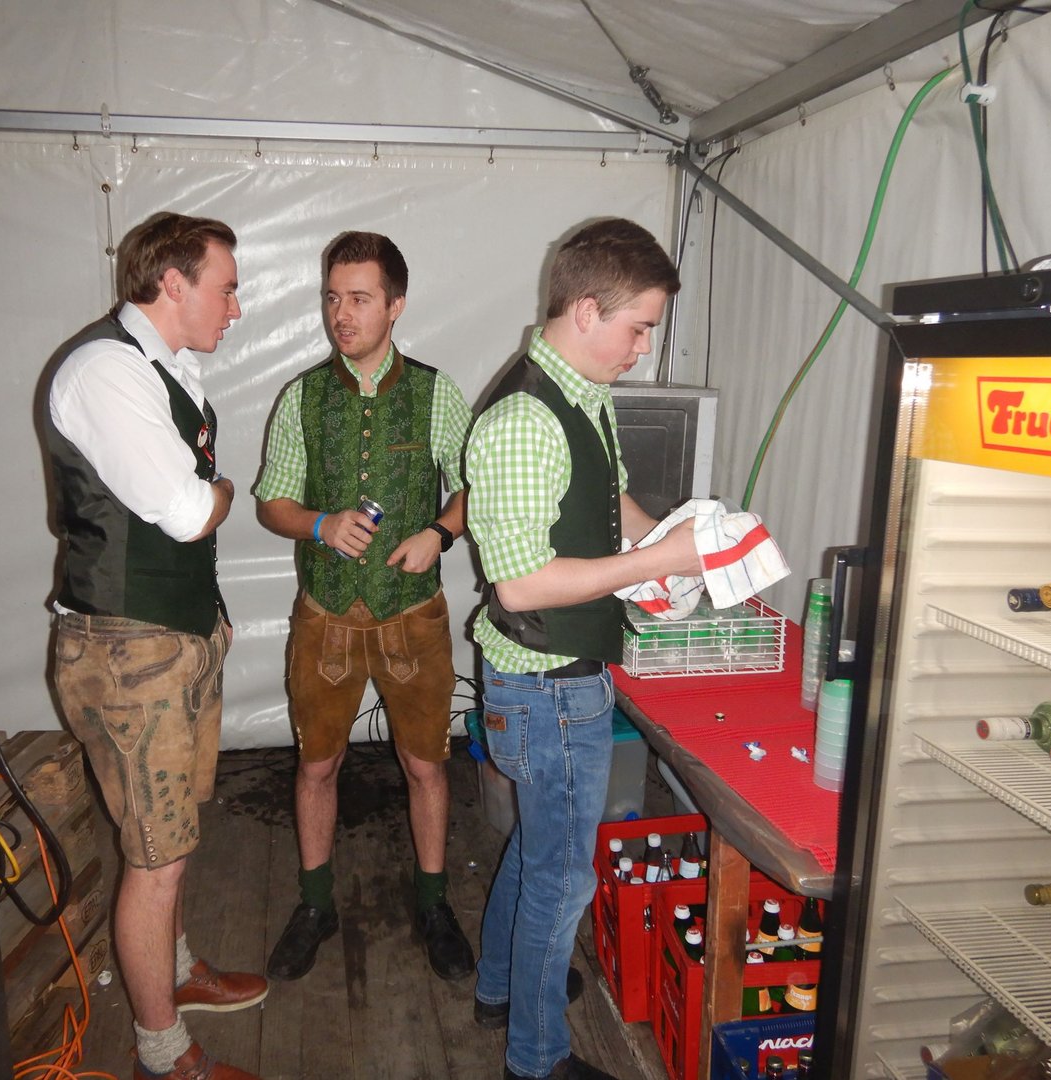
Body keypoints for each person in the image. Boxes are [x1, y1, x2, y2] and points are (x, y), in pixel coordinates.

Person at [464, 218, 703, 1080]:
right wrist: (656, 562)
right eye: (638, 328)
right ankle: (535, 1060)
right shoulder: (525, 419)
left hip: (555, 681)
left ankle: (501, 987)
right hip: (548, 689)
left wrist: (681, 543)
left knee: (541, 852)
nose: (643, 349)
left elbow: (610, 500)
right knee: (563, 881)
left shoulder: (583, 389)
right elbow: (521, 585)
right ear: (588, 309)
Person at [43, 211, 265, 1080]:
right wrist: (224, 489)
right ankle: (162, 1054)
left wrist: (209, 620)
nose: (236, 307)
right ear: (172, 283)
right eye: (226, 288)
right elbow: (186, 511)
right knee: (155, 858)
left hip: (171, 640)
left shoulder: (164, 368)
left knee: (171, 838)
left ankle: (174, 970)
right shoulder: (105, 370)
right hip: (126, 655)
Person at [255, 231, 475, 984]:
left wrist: (438, 533)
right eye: (332, 298)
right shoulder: (303, 396)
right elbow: (272, 502)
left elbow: (475, 484)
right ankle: (315, 903)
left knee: (426, 766)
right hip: (326, 615)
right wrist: (319, 524)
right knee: (317, 766)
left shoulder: (437, 393)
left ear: (396, 305)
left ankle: (435, 904)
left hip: (413, 613)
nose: (340, 314)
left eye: (358, 298)